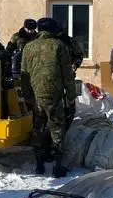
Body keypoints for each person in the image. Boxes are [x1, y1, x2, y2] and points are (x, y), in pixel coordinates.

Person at [21, 17, 76, 177]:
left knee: (38, 128)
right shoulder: (59, 46)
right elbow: (67, 74)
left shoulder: (28, 47)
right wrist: (71, 96)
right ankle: (58, 166)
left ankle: (39, 164)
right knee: (57, 127)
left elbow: (24, 75)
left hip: (35, 95)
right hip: (54, 94)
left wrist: (27, 96)